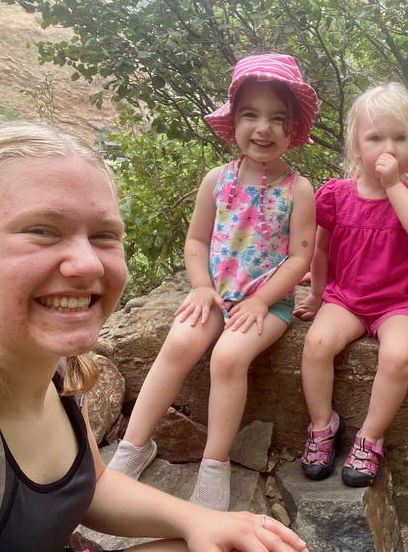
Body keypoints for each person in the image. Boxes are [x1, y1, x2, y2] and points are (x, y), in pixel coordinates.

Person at [0, 122, 311, 552]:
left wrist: (199, 519)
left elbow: (92, 484)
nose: (88, 264)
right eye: (42, 230)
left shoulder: (55, 372)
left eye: (103, 235)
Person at [108, 54, 318, 512]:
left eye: (277, 119)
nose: (263, 128)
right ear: (234, 121)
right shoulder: (217, 180)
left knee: (226, 357)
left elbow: (301, 256)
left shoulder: (299, 189)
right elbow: (197, 239)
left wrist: (262, 300)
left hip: (268, 304)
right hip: (216, 293)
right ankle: (134, 445)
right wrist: (201, 286)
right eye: (251, 115)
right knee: (179, 344)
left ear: (291, 129)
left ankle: (215, 463)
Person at [295, 83, 408, 488]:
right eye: (376, 138)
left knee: (397, 356)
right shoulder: (337, 195)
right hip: (347, 297)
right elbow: (320, 252)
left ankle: (369, 437)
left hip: (399, 301)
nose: (388, 148)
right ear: (357, 148)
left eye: (400, 138)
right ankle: (323, 425)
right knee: (316, 345)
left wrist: (394, 187)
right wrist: (316, 294)